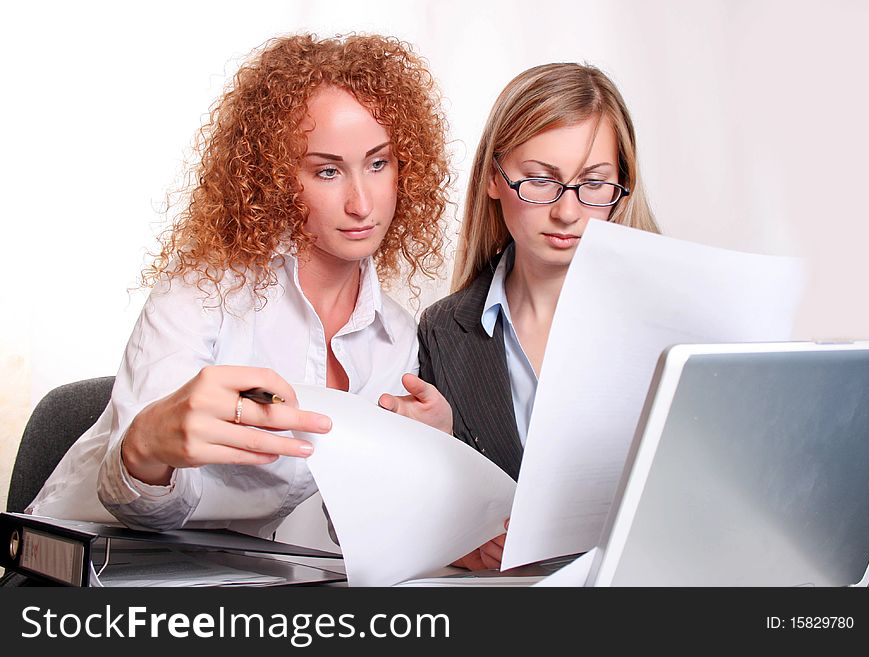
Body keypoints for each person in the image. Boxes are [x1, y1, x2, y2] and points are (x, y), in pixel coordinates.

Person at [28, 33, 450, 538]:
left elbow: (348, 527)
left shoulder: (397, 336)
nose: (362, 203)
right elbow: (143, 511)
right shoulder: (203, 292)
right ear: (273, 176)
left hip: (243, 582)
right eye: (327, 171)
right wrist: (146, 448)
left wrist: (428, 464)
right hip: (90, 565)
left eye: (378, 164)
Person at [379, 62, 659, 569]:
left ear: (622, 187)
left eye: (594, 184)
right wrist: (457, 539)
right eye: (538, 180)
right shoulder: (443, 332)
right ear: (493, 177)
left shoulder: (671, 325)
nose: (568, 212)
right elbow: (423, 517)